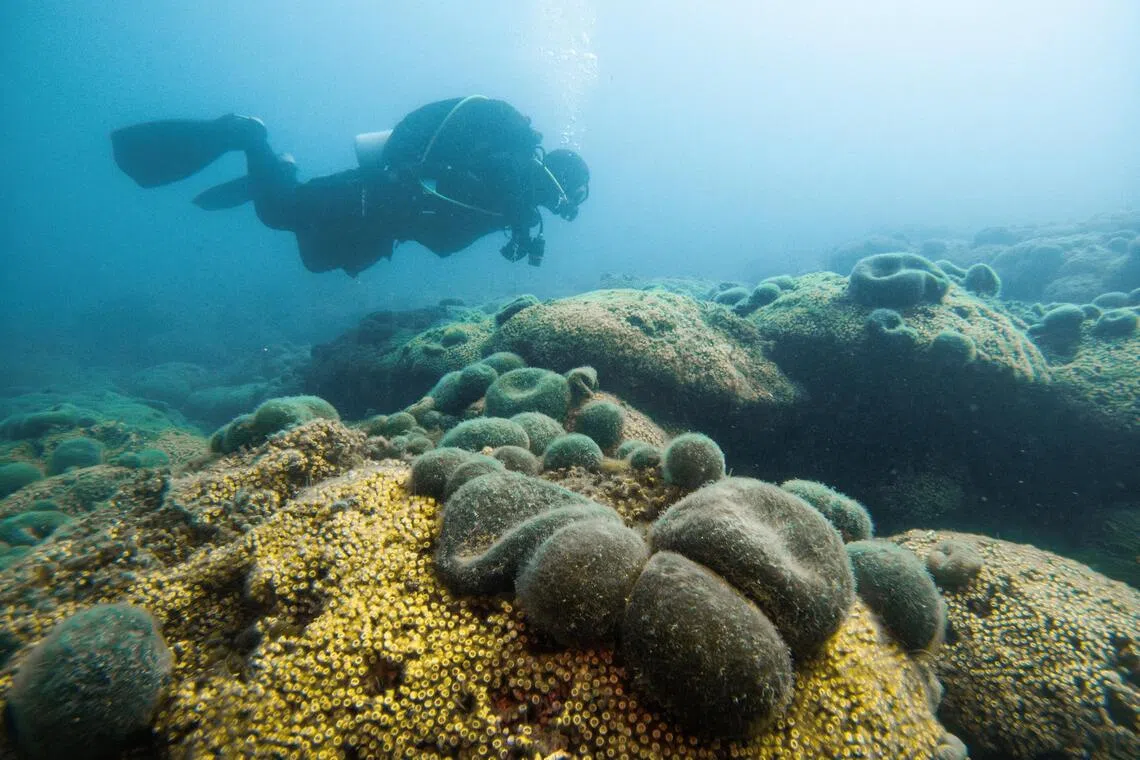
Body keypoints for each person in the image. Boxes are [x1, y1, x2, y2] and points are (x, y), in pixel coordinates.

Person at [111, 95, 590, 276]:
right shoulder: (512, 170)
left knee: (315, 262)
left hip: (385, 222)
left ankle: (279, 171)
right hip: (372, 193)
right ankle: (249, 136)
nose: (567, 208)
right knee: (278, 213)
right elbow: (448, 192)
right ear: (560, 179)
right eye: (571, 196)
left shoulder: (519, 200)